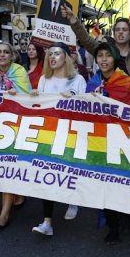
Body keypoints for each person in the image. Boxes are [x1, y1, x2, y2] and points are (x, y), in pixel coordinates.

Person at [31, 42, 86, 236]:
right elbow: (36, 106)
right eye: (50, 54)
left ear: (66, 57)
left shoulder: (77, 79)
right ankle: (47, 222)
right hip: (49, 133)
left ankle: (73, 199)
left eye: (57, 53)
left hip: (71, 133)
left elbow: (86, 108)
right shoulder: (44, 79)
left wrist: (74, 96)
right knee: (47, 175)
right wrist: (33, 97)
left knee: (68, 170)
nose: (52, 57)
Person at [86, 42, 130, 245]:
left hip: (122, 140)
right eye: (100, 56)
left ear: (115, 59)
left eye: (108, 55)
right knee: (104, 184)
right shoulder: (92, 83)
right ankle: (112, 226)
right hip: (98, 140)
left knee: (122, 182)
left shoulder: (126, 82)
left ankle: (126, 215)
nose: (104, 59)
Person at [0, 42, 31, 228]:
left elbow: (26, 95)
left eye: (6, 52)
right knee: (5, 164)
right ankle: (19, 193)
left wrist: (15, 94)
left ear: (12, 55)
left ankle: (4, 214)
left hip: (16, 124)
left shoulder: (19, 71)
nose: (2, 55)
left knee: (8, 165)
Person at [61, 5, 130, 93]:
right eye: (117, 30)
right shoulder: (105, 50)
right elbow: (86, 40)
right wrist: (73, 20)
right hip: (111, 101)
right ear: (114, 34)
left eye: (124, 30)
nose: (120, 32)